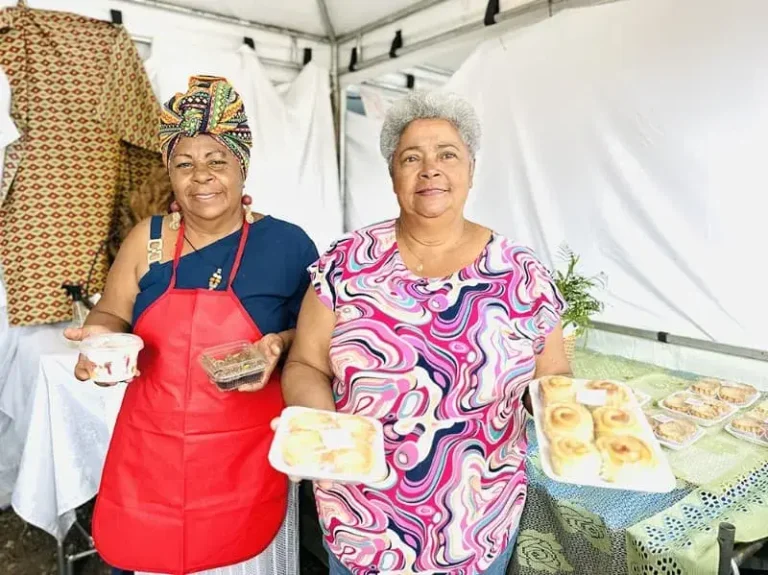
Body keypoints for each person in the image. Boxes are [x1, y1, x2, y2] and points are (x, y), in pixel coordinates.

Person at [281, 91, 571, 575]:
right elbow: (306, 363)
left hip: (476, 525)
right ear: (393, 174)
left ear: (471, 171)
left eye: (447, 155)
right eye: (411, 157)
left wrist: (561, 412)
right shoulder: (345, 263)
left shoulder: (521, 273)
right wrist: (326, 431)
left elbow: (554, 373)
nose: (430, 169)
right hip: (361, 520)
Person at [65, 76, 317, 575]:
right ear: (170, 173)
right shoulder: (148, 240)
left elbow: (315, 344)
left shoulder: (288, 246)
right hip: (152, 452)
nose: (202, 177)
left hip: (246, 458)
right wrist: (100, 337)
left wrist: (278, 345)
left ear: (242, 167)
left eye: (217, 161)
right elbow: (111, 311)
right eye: (184, 163)